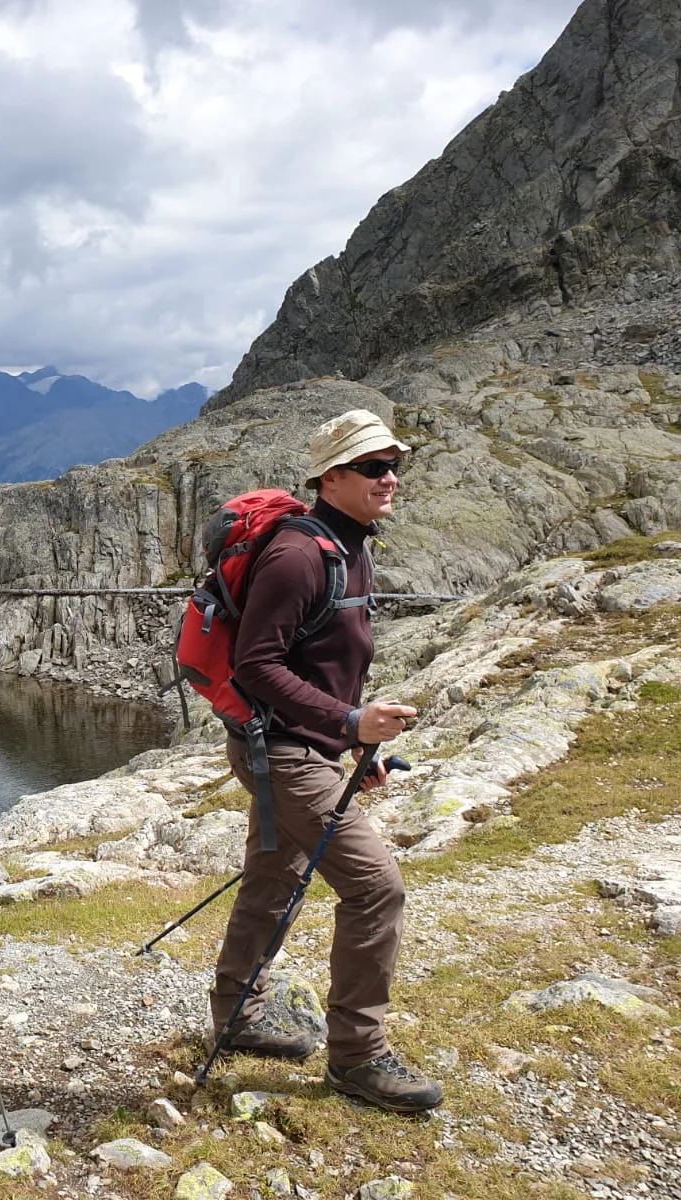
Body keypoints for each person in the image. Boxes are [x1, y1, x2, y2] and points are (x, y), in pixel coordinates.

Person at [208, 408, 443, 1114]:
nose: (389, 478)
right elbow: (255, 665)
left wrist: (354, 743)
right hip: (279, 752)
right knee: (376, 888)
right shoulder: (299, 555)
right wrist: (345, 722)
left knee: (272, 882)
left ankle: (238, 1016)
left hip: (305, 746)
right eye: (373, 467)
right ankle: (358, 1058)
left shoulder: (352, 546)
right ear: (331, 477)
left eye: (393, 465)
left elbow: (331, 664)